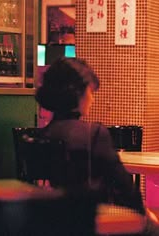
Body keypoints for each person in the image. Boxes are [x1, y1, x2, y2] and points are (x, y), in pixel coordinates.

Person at [35, 57, 159, 235]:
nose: (92, 99)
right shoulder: (93, 134)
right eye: (90, 92)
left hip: (54, 223)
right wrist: (145, 216)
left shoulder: (42, 136)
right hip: (91, 224)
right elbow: (125, 188)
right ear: (77, 93)